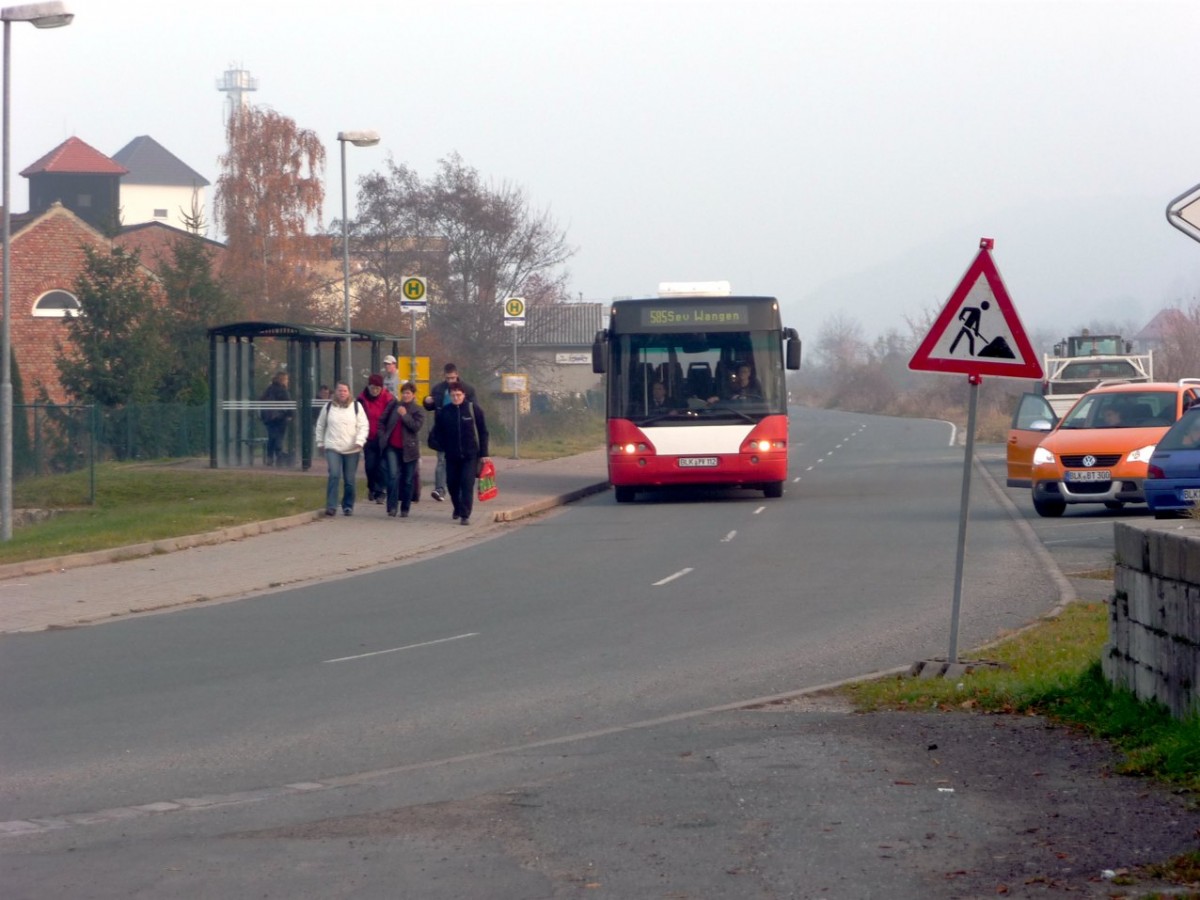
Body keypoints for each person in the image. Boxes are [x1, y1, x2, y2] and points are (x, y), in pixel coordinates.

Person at [431, 382, 489, 525]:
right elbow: (437, 433)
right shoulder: (445, 411)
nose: (456, 397)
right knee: (452, 484)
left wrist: (484, 453)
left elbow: (483, 432)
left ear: (464, 395)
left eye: (458, 395)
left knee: (467, 483)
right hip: (451, 456)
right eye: (453, 395)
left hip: (470, 455)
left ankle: (465, 514)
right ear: (449, 396)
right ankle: (457, 507)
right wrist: (442, 446)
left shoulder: (473, 410)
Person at [423, 363, 477, 502]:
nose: (450, 381)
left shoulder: (468, 389)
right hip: (444, 430)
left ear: (457, 375)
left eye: (452, 378)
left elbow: (475, 410)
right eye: (448, 378)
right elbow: (430, 406)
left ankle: (459, 490)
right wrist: (427, 401)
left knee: (458, 464)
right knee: (441, 460)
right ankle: (440, 489)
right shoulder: (438, 389)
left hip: (462, 432)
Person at [314, 382, 368, 517]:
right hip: (333, 447)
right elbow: (320, 425)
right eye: (339, 390)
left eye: (344, 391)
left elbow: (363, 426)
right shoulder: (328, 407)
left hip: (352, 449)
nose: (342, 393)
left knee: (349, 479)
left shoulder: (356, 407)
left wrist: (360, 441)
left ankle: (348, 505)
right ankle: (331, 506)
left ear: (349, 392)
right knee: (334, 475)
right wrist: (320, 441)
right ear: (335, 392)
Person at [378, 381, 425, 517]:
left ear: (413, 395)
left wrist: (405, 415)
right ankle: (392, 507)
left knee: (408, 479)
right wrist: (383, 436)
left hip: (409, 449)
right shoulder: (393, 405)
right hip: (392, 447)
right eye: (403, 393)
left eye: (408, 393)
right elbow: (382, 421)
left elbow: (415, 427)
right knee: (392, 476)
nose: (405, 396)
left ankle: (405, 507)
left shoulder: (418, 410)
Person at [357, 373, 394, 503]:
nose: (374, 391)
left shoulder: (388, 399)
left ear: (381, 388)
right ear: (368, 386)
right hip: (369, 437)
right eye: (372, 388)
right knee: (370, 465)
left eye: (377, 388)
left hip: (383, 438)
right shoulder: (361, 399)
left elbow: (391, 418)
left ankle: (381, 491)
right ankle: (372, 487)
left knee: (382, 466)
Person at [258, 371, 293, 466]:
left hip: (268, 418)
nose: (287, 381)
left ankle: (270, 457)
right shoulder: (283, 390)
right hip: (280, 417)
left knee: (272, 437)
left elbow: (261, 400)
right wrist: (290, 415)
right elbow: (288, 403)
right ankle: (279, 457)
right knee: (279, 437)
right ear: (283, 380)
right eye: (286, 379)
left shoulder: (269, 389)